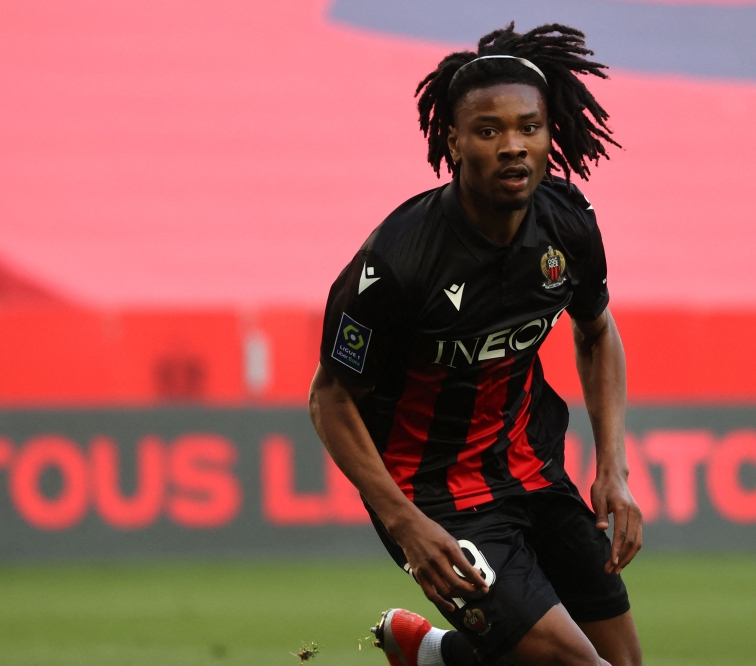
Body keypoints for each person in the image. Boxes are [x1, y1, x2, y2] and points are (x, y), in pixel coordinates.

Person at [308, 23, 643, 666]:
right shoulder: (397, 261)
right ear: (453, 141)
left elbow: (597, 331)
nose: (513, 146)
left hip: (531, 469)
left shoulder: (568, 223)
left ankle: (435, 656)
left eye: (528, 127)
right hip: (432, 498)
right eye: (488, 131)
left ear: (549, 133)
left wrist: (613, 468)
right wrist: (405, 524)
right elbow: (330, 399)